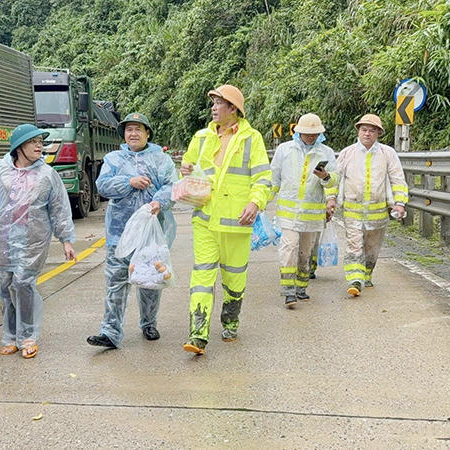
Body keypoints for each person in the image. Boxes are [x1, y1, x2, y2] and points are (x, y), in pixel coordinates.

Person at [0, 124, 76, 359]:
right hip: (3, 239)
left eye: (41, 142)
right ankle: (10, 336)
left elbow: (59, 208)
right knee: (3, 287)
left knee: (23, 283)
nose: (39, 146)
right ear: (19, 146)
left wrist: (66, 240)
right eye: (34, 142)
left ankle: (28, 336)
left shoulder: (47, 175)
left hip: (34, 240)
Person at [179, 84, 272, 355]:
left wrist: (255, 203)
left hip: (237, 223)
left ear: (233, 108)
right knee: (202, 276)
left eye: (219, 103)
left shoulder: (251, 139)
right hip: (205, 218)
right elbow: (189, 164)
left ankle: (230, 320)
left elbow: (263, 177)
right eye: (213, 103)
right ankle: (198, 335)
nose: (213, 108)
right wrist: (186, 168)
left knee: (234, 280)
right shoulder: (201, 136)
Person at [86, 113, 177, 349]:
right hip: (120, 232)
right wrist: (129, 182)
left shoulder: (161, 159)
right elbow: (102, 185)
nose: (133, 134)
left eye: (138, 129)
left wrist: (159, 201)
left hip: (151, 232)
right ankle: (110, 332)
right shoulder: (114, 159)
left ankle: (149, 323)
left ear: (148, 133)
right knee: (116, 281)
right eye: (129, 130)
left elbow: (172, 186)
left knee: (149, 278)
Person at [335, 114, 408, 297]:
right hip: (352, 210)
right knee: (354, 246)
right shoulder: (347, 153)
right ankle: (355, 279)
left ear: (378, 133)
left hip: (378, 212)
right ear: (358, 131)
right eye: (364, 129)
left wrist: (399, 203)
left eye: (372, 130)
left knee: (372, 248)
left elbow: (397, 179)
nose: (367, 133)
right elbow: (335, 179)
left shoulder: (387, 153)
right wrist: (331, 200)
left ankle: (366, 275)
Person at [269, 113, 337, 308]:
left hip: (312, 214)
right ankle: (288, 291)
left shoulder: (326, 153)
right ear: (298, 132)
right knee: (289, 248)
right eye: (307, 133)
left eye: (315, 134)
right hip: (288, 214)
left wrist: (326, 177)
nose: (311, 137)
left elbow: (334, 181)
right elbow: (274, 179)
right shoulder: (284, 150)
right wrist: (261, 202)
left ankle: (301, 288)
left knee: (305, 253)